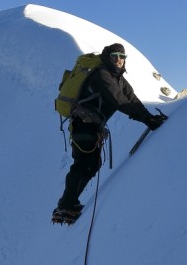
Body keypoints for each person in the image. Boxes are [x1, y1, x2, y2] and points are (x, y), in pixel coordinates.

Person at [53, 43, 165, 223]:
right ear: (107, 57)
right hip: (83, 124)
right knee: (83, 164)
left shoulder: (118, 77)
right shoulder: (102, 75)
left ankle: (69, 203)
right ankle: (65, 206)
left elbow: (131, 99)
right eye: (115, 56)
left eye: (122, 57)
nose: (119, 60)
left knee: (91, 165)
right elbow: (119, 101)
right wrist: (146, 120)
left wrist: (149, 117)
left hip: (91, 126)